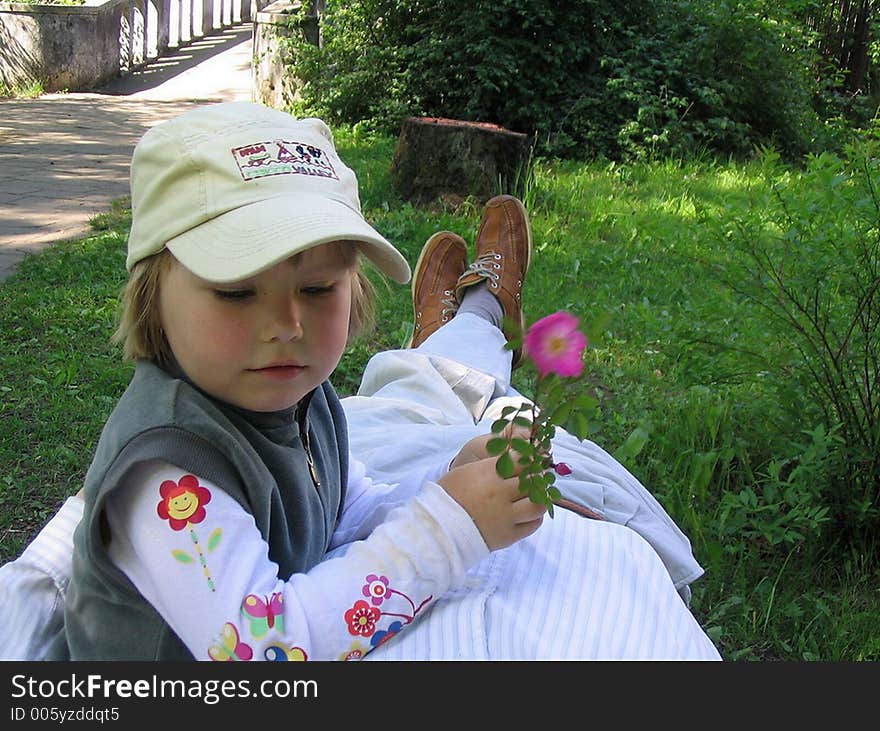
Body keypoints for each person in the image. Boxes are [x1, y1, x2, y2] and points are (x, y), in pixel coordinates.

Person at [0, 109, 721, 660]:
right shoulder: (166, 474)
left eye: (317, 288)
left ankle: (470, 320)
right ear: (154, 295)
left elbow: (344, 506)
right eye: (235, 292)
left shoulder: (292, 398)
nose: (285, 323)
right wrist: (446, 530)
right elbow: (269, 649)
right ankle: (475, 319)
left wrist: (449, 482)